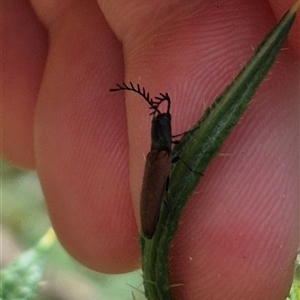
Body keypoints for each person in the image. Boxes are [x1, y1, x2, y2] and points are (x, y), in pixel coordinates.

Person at [3, 1, 299, 299]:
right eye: (163, 118)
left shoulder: (159, 151)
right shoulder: (161, 153)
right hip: (153, 211)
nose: (165, 117)